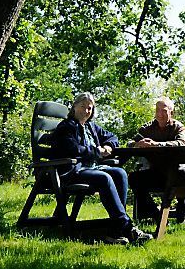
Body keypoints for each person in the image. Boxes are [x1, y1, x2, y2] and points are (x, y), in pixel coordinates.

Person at [50, 92, 152, 245]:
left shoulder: (91, 126)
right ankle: (126, 227)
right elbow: (74, 149)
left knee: (120, 173)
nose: (86, 111)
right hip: (71, 170)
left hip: (92, 168)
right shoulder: (66, 127)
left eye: (90, 108)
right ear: (74, 107)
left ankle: (115, 230)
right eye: (83, 107)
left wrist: (107, 146)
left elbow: (112, 137)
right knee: (104, 178)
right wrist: (97, 152)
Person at [128, 96, 185, 222]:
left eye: (164, 111)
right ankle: (155, 214)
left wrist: (157, 144)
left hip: (177, 171)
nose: (160, 114)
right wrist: (138, 144)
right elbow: (130, 142)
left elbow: (181, 143)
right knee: (133, 178)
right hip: (156, 173)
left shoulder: (178, 127)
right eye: (157, 110)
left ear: (171, 112)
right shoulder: (147, 128)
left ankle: (181, 214)